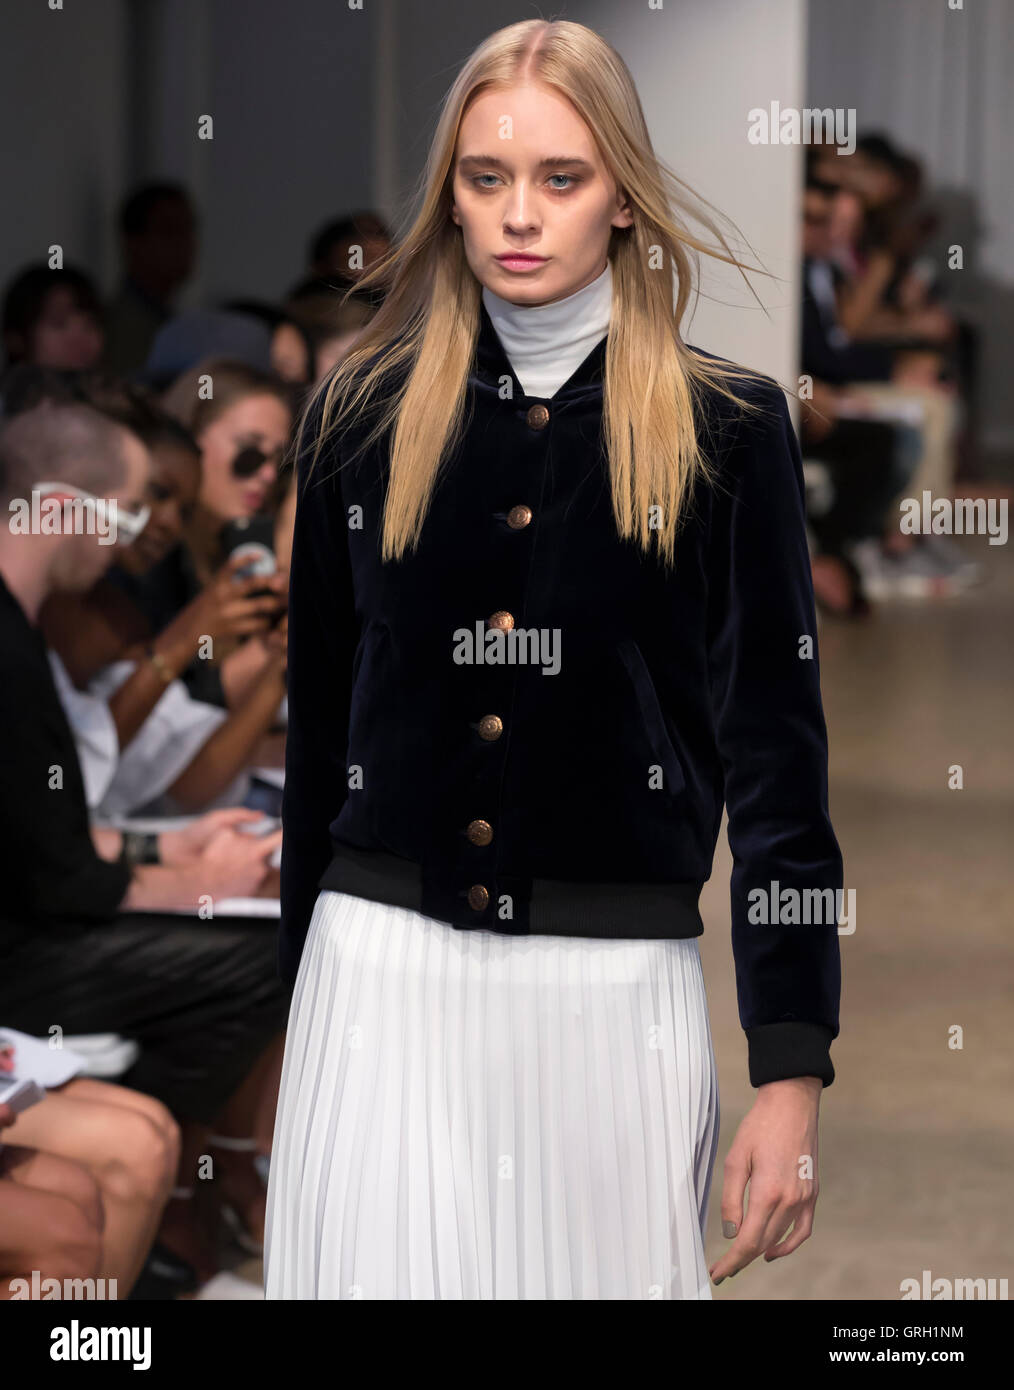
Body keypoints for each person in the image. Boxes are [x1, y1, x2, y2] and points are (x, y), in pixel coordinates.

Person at [264, 18, 842, 1301]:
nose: (520, 214)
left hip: (607, 994)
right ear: (451, 199)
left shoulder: (726, 432)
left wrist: (791, 1064)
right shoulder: (360, 418)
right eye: (487, 178)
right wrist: (289, 1010)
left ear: (623, 198)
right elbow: (319, 740)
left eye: (561, 178)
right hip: (379, 980)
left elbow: (778, 768)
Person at [0, 397, 288, 1282]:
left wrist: (175, 858)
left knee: (266, 925)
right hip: (26, 946)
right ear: (55, 509)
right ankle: (199, 1183)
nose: (125, 538)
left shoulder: (26, 631)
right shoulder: (17, 638)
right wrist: (184, 877)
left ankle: (193, 1179)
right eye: (120, 513)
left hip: (44, 916)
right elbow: (53, 874)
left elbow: (49, 839)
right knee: (265, 950)